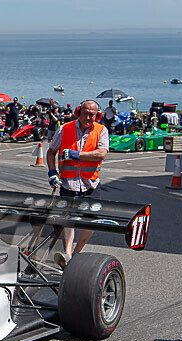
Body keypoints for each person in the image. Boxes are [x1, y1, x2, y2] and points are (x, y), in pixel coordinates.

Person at [45, 99, 109, 268]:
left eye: (92, 115)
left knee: (91, 221)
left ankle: (77, 252)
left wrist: (76, 155)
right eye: (86, 113)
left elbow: (101, 154)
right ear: (78, 112)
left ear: (98, 115)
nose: (88, 117)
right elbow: (51, 152)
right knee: (68, 219)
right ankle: (67, 254)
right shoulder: (64, 129)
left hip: (90, 184)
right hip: (68, 183)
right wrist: (52, 172)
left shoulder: (101, 131)